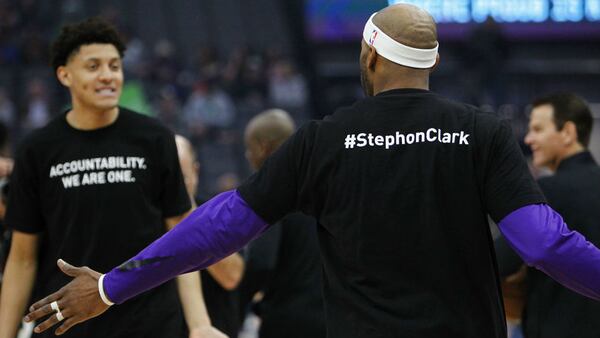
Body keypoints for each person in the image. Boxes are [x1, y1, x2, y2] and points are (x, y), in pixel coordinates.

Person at [23, 4, 600, 338]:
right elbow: (544, 246)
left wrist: (110, 285)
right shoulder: (483, 134)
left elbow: (221, 225)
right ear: (433, 64)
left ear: (370, 56)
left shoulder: (322, 140)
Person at [0, 18, 224, 338]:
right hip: (66, 326)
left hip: (152, 323)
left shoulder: (155, 139)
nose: (108, 76)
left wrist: (200, 324)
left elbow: (183, 237)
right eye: (93, 66)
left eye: (114, 66)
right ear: (64, 74)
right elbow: (22, 258)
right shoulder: (38, 150)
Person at [495, 92, 600, 338]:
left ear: (568, 132)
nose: (529, 139)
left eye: (538, 129)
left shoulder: (545, 194)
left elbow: (498, 261)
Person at [239, 109, 325, 338]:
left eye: (249, 148)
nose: (248, 155)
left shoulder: (274, 191)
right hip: (332, 317)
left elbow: (261, 261)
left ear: (263, 147)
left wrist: (236, 301)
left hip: (288, 320)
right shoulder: (323, 184)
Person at [175, 135, 244, 337]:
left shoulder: (222, 213)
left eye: (179, 176)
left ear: (195, 171)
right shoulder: (142, 219)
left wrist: (187, 216)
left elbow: (231, 277)